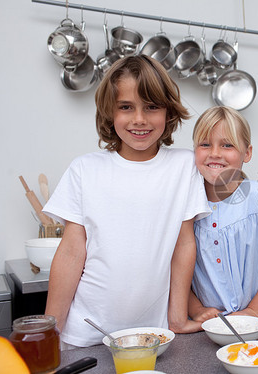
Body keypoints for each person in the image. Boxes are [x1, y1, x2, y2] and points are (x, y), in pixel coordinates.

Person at [43, 55, 211, 348]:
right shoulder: (85, 169)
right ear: (110, 112)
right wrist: (50, 330)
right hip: (87, 332)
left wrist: (178, 318)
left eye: (151, 107)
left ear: (168, 112)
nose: (139, 119)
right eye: (126, 107)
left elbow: (184, 245)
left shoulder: (184, 166)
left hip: (154, 334)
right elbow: (71, 252)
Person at [188, 106, 258, 322]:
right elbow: (175, 268)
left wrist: (254, 311)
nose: (215, 153)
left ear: (247, 153)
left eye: (227, 145)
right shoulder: (185, 205)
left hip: (252, 326)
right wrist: (196, 310)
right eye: (205, 144)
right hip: (201, 327)